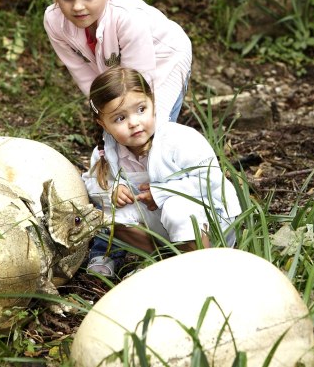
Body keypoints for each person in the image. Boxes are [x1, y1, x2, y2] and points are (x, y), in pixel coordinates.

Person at [42, 0, 193, 276]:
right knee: (111, 151)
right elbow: (82, 72)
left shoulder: (127, 19)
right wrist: (104, 117)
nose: (77, 6)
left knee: (147, 140)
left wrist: (123, 123)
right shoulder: (54, 20)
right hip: (111, 75)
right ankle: (109, 246)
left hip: (159, 64)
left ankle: (179, 234)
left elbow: (140, 88)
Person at [82, 67, 242, 264]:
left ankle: (201, 264)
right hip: (160, 229)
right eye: (120, 118)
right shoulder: (105, 152)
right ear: (103, 124)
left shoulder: (178, 139)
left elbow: (209, 180)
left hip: (208, 224)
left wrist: (159, 193)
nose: (134, 122)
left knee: (177, 209)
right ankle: (165, 259)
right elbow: (90, 182)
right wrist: (112, 190)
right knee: (111, 215)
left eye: (141, 109)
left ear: (153, 104)